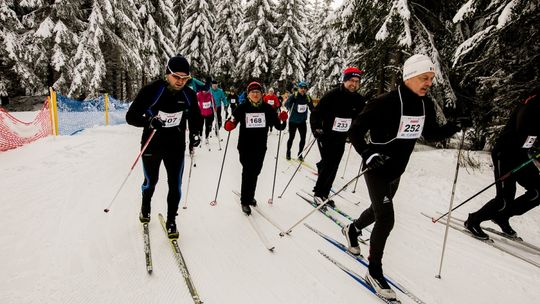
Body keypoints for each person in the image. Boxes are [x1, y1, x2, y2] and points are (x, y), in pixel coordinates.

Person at [345, 54, 461, 299]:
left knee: (378, 210)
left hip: (397, 170)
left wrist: (452, 127)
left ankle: (352, 230)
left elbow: (429, 134)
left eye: (431, 78)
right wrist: (367, 153)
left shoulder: (424, 104)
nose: (428, 82)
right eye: (424, 77)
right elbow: (356, 130)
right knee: (386, 219)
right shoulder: (383, 102)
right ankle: (374, 271)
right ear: (409, 76)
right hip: (377, 168)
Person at [125, 55, 202, 239]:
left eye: (185, 78)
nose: (181, 81)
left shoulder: (188, 94)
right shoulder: (152, 90)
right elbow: (131, 116)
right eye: (177, 77)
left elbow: (195, 116)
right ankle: (146, 207)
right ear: (167, 73)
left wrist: (195, 133)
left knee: (175, 185)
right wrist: (149, 121)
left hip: (175, 146)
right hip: (152, 145)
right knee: (151, 181)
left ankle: (171, 220)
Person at [465, 88, 540, 239]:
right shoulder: (533, 103)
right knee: (504, 199)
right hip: (505, 154)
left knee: (538, 191)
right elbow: (522, 126)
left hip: (521, 155)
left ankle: (502, 217)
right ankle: (473, 220)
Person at [224, 81, 288, 215]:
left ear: (261, 94)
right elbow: (231, 122)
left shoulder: (267, 109)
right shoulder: (242, 107)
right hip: (245, 146)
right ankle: (244, 201)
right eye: (252, 92)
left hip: (260, 147)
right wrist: (229, 125)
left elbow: (279, 126)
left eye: (257, 92)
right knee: (248, 171)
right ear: (248, 94)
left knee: (256, 172)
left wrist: (283, 119)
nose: (255, 94)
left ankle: (250, 195)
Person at [310, 67, 366, 208]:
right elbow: (316, 113)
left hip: (341, 137)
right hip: (326, 136)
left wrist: (358, 131)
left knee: (334, 165)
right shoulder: (332, 95)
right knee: (329, 163)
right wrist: (317, 128)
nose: (354, 84)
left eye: (357, 81)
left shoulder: (359, 100)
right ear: (345, 80)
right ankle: (318, 193)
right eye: (351, 81)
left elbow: (361, 118)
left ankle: (325, 194)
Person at [285, 81, 314, 161]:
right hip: (293, 121)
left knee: (303, 138)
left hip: (302, 122)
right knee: (291, 138)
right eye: (301, 88)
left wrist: (316, 114)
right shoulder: (294, 96)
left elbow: (312, 108)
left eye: (305, 88)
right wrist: (289, 106)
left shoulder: (307, 97)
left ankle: (300, 154)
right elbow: (286, 104)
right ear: (298, 88)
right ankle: (288, 152)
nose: (303, 89)